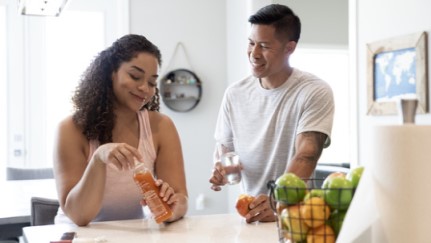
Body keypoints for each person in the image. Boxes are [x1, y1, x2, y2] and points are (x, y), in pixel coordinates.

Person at [209, 4, 334, 223]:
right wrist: (224, 169)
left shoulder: (314, 91)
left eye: (264, 46)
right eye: (251, 43)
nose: (254, 53)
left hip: (296, 217)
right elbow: (224, 150)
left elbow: (307, 154)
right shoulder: (234, 94)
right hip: (249, 214)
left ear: (290, 48)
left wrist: (277, 200)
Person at [53, 34, 188, 226]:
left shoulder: (161, 126)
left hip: (131, 233)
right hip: (76, 234)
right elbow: (79, 216)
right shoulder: (70, 129)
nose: (144, 88)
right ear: (110, 72)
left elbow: (181, 197)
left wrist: (172, 208)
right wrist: (99, 159)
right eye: (135, 76)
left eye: (151, 82)